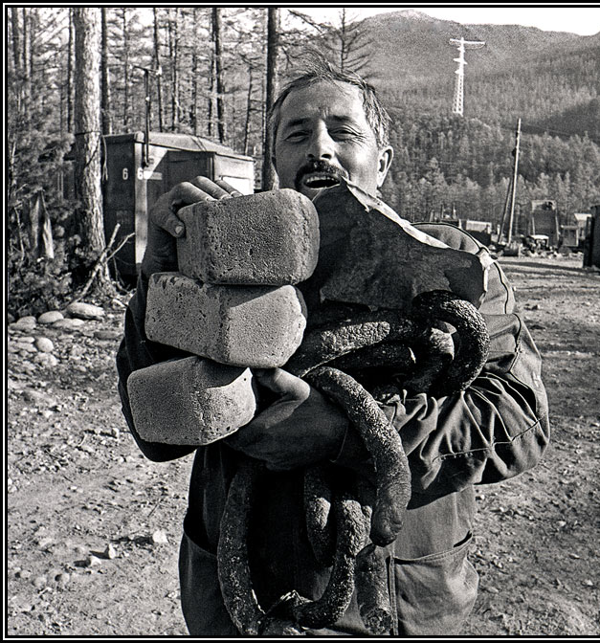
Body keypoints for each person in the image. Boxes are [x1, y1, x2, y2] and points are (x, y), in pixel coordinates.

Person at [116, 60, 550, 636]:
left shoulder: (452, 263)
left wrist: (352, 431)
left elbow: (518, 419)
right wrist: (162, 279)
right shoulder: (216, 263)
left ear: (383, 162)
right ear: (274, 163)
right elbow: (155, 431)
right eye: (297, 134)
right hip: (238, 602)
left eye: (344, 133)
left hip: (398, 603)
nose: (320, 148)